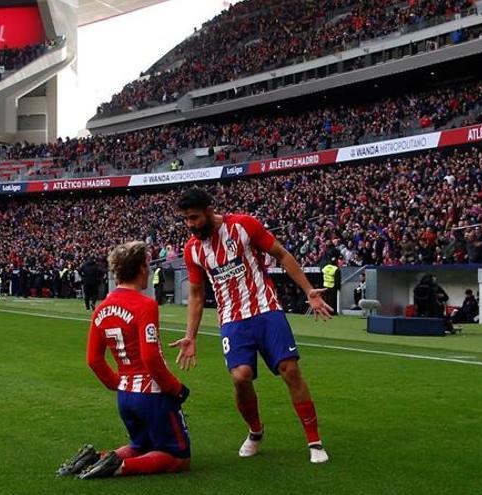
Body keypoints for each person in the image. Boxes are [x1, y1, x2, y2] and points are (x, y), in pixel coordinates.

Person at [170, 188, 332, 464]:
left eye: (194, 218)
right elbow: (196, 295)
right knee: (240, 377)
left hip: (266, 310)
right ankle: (255, 432)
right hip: (232, 320)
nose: (190, 225)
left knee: (290, 369)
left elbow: (280, 254)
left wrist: (308, 291)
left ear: (209, 210)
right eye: (185, 219)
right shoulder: (193, 249)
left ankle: (314, 440)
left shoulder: (244, 225)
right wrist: (190, 336)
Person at [61, 241, 191, 479]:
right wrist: (176, 388)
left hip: (125, 396)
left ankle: (97, 459)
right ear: (142, 268)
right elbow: (151, 357)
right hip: (152, 394)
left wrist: (118, 384)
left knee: (140, 445)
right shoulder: (145, 305)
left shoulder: (101, 309)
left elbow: (94, 360)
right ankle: (120, 467)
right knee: (179, 457)